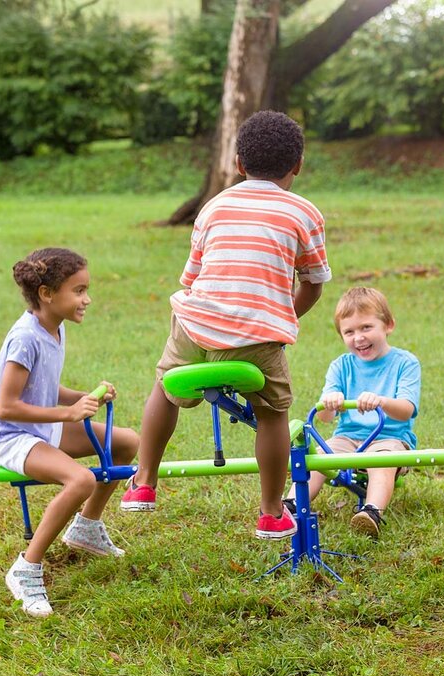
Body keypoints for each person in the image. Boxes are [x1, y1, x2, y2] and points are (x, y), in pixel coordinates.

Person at [121, 110, 331, 541]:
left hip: (193, 324)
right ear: (298, 165)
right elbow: (312, 286)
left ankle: (144, 481)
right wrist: (279, 318)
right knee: (273, 413)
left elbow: (192, 280)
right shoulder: (305, 212)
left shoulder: (213, 207)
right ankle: (271, 511)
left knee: (165, 386)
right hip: (257, 337)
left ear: (238, 163)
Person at [0, 247, 140, 618]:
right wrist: (67, 413)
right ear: (47, 294)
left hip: (38, 427)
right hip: (9, 435)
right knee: (80, 480)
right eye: (79, 290)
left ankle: (86, 528)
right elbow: (8, 406)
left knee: (126, 442)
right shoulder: (25, 338)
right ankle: (27, 568)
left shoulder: (54, 327)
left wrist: (81, 396)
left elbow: (45, 387)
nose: (87, 299)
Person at [284, 287, 421, 538]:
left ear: (388, 325)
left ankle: (371, 512)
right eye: (349, 332)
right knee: (318, 459)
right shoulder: (341, 366)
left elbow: (406, 411)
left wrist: (381, 401)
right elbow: (324, 419)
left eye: (366, 327)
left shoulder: (405, 363)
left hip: (389, 438)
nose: (358, 337)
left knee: (381, 461)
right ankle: (291, 505)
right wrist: (330, 404)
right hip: (347, 437)